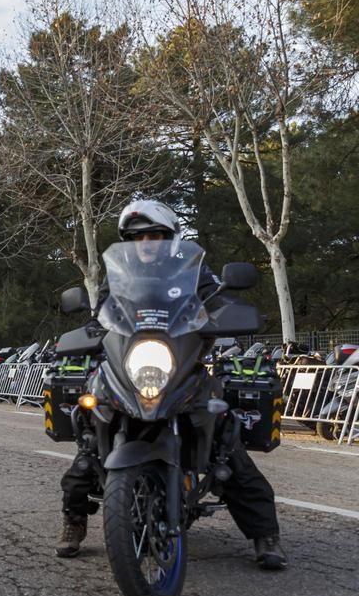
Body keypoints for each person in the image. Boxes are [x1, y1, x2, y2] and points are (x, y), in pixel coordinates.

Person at [54, 200, 287, 570]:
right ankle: (74, 520)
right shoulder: (119, 276)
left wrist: (226, 314)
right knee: (88, 441)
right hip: (130, 366)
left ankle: (265, 534)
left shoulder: (194, 272)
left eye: (155, 235)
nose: (147, 242)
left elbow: (221, 300)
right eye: (138, 236)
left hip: (181, 363)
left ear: (170, 237)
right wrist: (90, 328)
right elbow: (102, 316)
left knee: (227, 442)